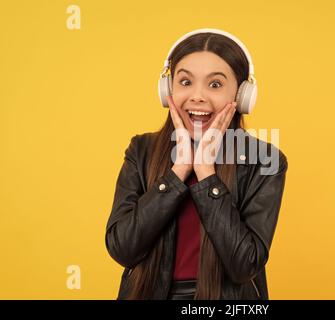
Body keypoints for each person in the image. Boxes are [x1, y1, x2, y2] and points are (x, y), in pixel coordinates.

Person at [105, 28, 288, 300]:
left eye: (215, 84)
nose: (197, 96)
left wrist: (206, 174)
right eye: (185, 82)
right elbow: (123, 248)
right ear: (168, 90)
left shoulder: (265, 160)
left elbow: (244, 264)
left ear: (241, 96)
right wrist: (177, 174)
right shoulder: (141, 150)